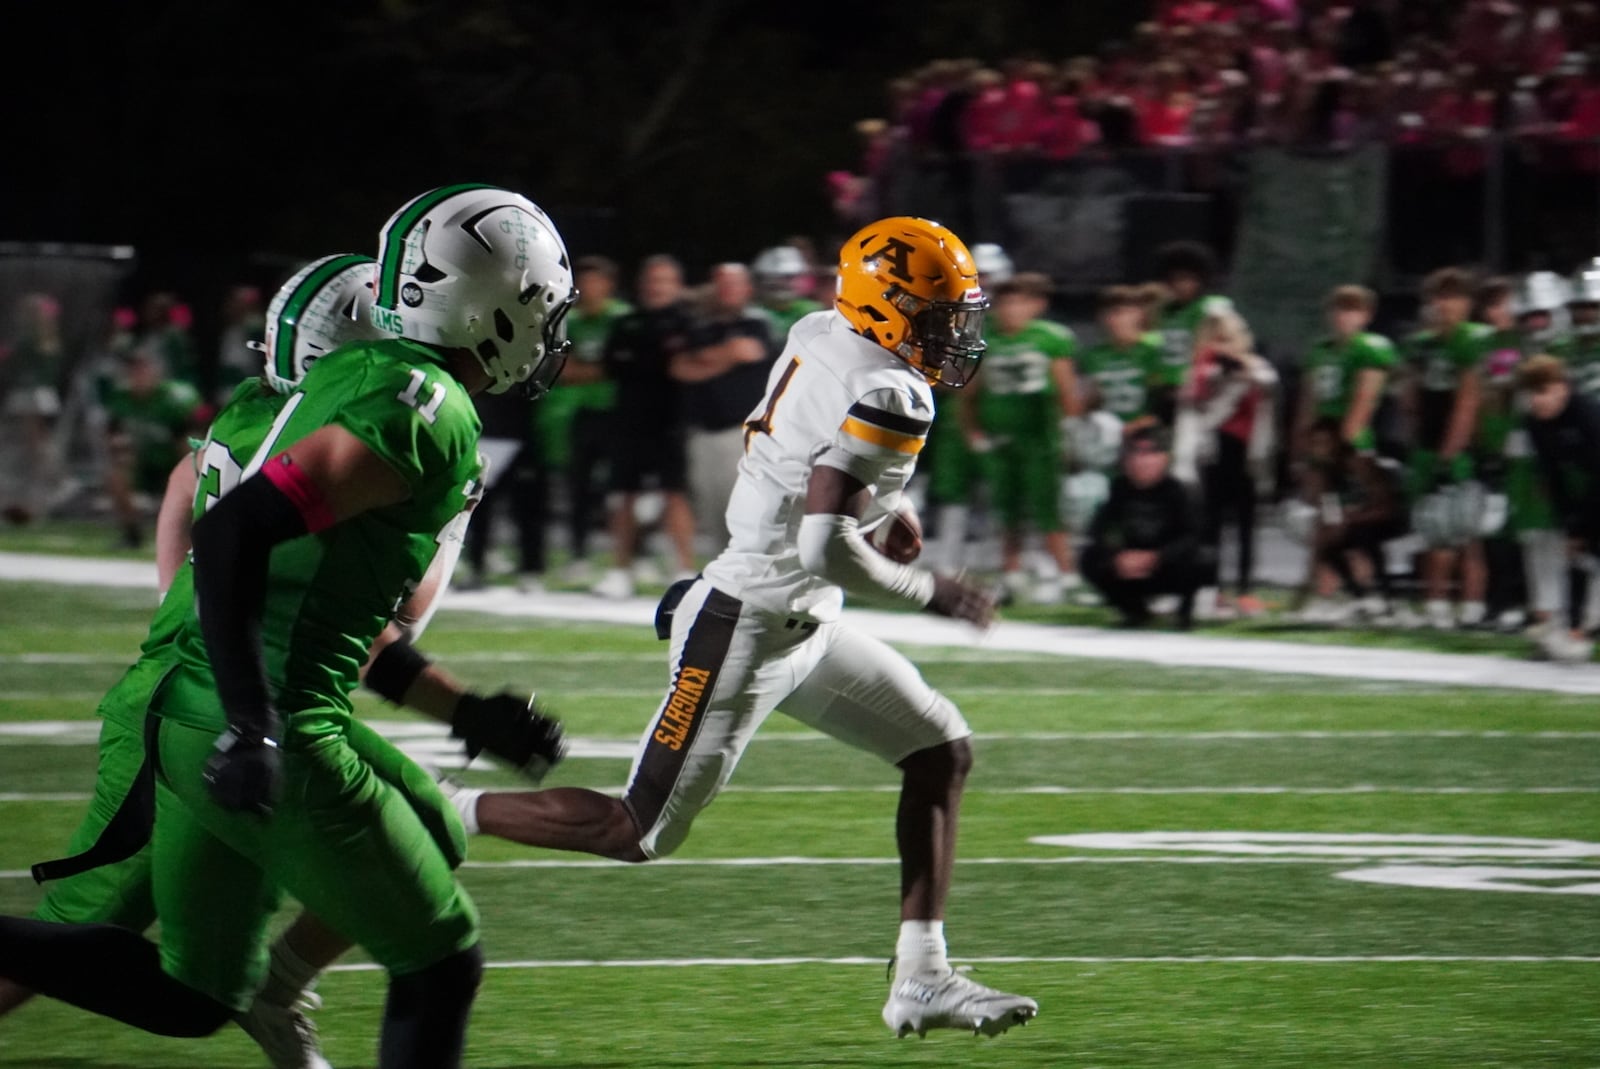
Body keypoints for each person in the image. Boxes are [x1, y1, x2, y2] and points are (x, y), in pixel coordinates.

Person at [0, 186, 576, 1069]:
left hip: (213, 704)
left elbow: (263, 547)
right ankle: (280, 983)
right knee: (442, 960)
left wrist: (468, 715)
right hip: (260, 714)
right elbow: (231, 533)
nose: (553, 330)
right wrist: (253, 717)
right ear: (498, 306)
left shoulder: (359, 378)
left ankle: (269, 989)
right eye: (544, 308)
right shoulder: (422, 404)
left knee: (192, 998)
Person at [443, 217, 1038, 1039]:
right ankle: (444, 807)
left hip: (800, 620)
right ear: (888, 307)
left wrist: (884, 508)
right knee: (635, 828)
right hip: (749, 623)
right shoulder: (896, 391)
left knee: (939, 748)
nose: (954, 334)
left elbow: (807, 456)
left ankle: (923, 976)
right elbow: (823, 544)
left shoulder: (822, 329)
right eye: (937, 314)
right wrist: (929, 589)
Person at [959, 272, 1079, 603]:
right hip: (1000, 439)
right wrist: (973, 432)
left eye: (1020, 301)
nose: (1011, 309)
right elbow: (969, 392)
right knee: (1006, 510)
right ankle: (1011, 575)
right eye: (1006, 302)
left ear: (1036, 305)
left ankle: (1068, 576)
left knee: (1048, 509)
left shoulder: (1051, 338)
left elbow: (1067, 391)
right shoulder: (985, 337)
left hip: (1040, 439)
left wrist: (1071, 430)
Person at [595, 255, 699, 599]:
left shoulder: (688, 324)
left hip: (672, 420)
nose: (657, 287)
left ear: (677, 285)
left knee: (675, 494)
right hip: (629, 419)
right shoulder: (627, 323)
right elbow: (611, 365)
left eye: (664, 280)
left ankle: (683, 570)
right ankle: (620, 570)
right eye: (652, 280)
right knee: (623, 495)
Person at [1174, 306, 1277, 618]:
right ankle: (1212, 590)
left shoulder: (1253, 366)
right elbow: (1193, 398)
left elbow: (1268, 384)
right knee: (1212, 525)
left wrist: (1241, 364)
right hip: (1214, 450)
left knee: (1247, 525)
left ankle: (1245, 591)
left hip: (1247, 452)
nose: (1223, 344)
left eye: (1228, 337)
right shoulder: (1202, 369)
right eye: (1216, 337)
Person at [1402, 266, 1490, 628]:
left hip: (1460, 449)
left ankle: (1471, 603)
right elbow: (1411, 400)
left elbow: (1468, 401)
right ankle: (1435, 602)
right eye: (1438, 297)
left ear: (1467, 303)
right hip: (1426, 444)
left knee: (1465, 530)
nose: (1444, 305)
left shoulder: (1473, 340)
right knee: (1431, 529)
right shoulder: (1423, 344)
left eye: (1452, 297)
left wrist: (1451, 451)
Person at [673, 263, 777, 551]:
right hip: (703, 432)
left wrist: (706, 360)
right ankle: (725, 579)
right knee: (712, 510)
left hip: (743, 435)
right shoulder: (700, 326)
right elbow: (681, 368)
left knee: (745, 511)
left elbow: (750, 352)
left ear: (748, 288)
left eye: (733, 284)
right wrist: (727, 356)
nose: (727, 291)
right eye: (721, 285)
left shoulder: (758, 323)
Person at [1081, 425, 1208, 629]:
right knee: (1089, 557)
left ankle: (1184, 614)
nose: (1142, 461)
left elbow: (1191, 537)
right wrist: (1117, 557)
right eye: (1136, 453)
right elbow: (1097, 531)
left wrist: (1156, 557)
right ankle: (1134, 611)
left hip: (1166, 565)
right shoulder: (1119, 488)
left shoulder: (1178, 492)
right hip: (1130, 568)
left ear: (1164, 458)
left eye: (1150, 453)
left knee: (1201, 559)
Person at [551, 256, 629, 585]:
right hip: (581, 413)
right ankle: (579, 555)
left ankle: (630, 556)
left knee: (623, 491)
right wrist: (600, 370)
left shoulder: (622, 319)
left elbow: (624, 367)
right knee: (580, 488)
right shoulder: (572, 319)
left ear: (609, 285)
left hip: (617, 414)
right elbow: (562, 370)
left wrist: (591, 370)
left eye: (597, 281)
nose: (591, 289)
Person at [1521, 355, 1600, 662]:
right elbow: (1552, 476)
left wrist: (1582, 523)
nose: (1536, 400)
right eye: (1530, 393)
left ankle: (1579, 629)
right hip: (1591, 486)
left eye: (1542, 391)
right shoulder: (1534, 424)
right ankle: (1575, 631)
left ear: (1561, 388)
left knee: (1585, 548)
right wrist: (1570, 522)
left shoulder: (1587, 413)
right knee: (1577, 554)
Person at [1294, 417, 1407, 620]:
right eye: (1314, 444)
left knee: (1363, 536)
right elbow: (1327, 521)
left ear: (1337, 443)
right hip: (1355, 521)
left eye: (1324, 443)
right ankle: (1359, 598)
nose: (1318, 449)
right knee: (1331, 548)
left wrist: (1355, 517)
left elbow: (1387, 506)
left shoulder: (1356, 463)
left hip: (1389, 518)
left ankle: (1387, 597)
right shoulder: (1323, 472)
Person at [103, 346, 206, 548]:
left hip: (174, 462)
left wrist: (184, 472)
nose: (137, 375)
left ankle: (195, 531)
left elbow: (191, 442)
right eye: (133, 370)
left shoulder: (174, 399)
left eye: (142, 369)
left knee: (196, 469)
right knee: (115, 476)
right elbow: (114, 439)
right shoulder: (121, 399)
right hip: (143, 463)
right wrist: (125, 455)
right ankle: (132, 534)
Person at [1295, 284, 1396, 455]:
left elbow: (1365, 400)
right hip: (1319, 433)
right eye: (1338, 309)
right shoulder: (1320, 350)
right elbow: (1308, 401)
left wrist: (1345, 441)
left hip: (1350, 434)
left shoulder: (1370, 347)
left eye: (1352, 310)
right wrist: (1299, 440)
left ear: (1366, 316)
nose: (1343, 316)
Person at [1073, 285, 1166, 431]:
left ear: (1139, 314)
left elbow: (1165, 397)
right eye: (1110, 314)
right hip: (1105, 434)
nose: (1117, 320)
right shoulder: (1091, 356)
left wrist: (1138, 425)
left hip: (1147, 434)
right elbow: (1086, 401)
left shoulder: (1154, 349)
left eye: (1124, 313)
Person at [1151, 240, 1236, 398]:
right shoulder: (1162, 311)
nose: (1181, 285)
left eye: (1188, 279)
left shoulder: (1210, 307)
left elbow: (1232, 342)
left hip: (1197, 388)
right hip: (1164, 385)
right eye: (1175, 279)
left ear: (1201, 280)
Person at [752, 244, 824, 339]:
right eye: (774, 277)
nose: (781, 284)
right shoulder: (753, 313)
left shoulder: (812, 310)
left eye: (789, 277)